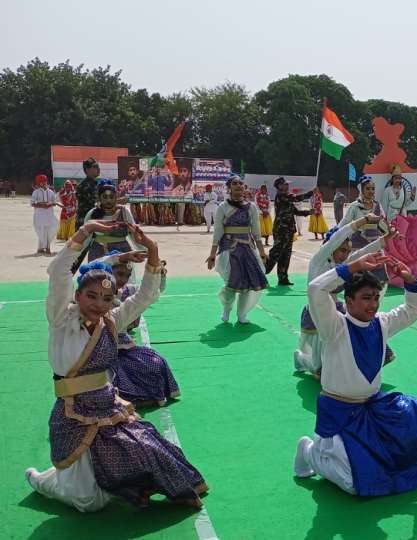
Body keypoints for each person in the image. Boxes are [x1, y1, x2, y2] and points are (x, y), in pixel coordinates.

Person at [25, 221, 208, 512]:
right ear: (77, 295)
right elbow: (59, 272)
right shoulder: (61, 320)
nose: (99, 304)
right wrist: (86, 231)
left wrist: (152, 249)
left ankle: (142, 485)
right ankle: (42, 481)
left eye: (107, 298)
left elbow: (146, 296)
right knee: (87, 502)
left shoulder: (112, 321)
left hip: (108, 406)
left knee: (146, 448)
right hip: (72, 414)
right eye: (92, 296)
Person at [294, 253, 417, 496]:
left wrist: (410, 279)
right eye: (366, 298)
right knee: (352, 482)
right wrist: (352, 267)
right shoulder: (334, 326)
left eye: (376, 298)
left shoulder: (382, 322)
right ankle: (308, 451)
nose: (373, 304)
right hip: (340, 413)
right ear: (348, 300)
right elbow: (316, 289)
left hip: (374, 407)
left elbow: (413, 309)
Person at [294, 215, 391, 376]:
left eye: (348, 251)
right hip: (317, 311)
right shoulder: (319, 260)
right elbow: (338, 236)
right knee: (318, 366)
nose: (345, 255)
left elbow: (362, 253)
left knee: (341, 347)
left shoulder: (343, 264)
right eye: (342, 250)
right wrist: (364, 219)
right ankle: (301, 359)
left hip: (337, 309)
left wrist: (385, 239)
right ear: (332, 247)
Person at [100, 250, 180, 406]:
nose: (122, 279)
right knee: (117, 374)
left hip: (124, 345)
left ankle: (151, 395)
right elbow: (97, 266)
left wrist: (159, 274)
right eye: (118, 274)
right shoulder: (97, 293)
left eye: (126, 275)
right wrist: (121, 257)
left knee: (156, 362)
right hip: (101, 347)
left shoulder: (129, 291)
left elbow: (153, 291)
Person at [206, 175, 268, 324]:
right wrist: (212, 254)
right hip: (229, 249)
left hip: (247, 248)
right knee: (231, 283)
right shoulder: (223, 207)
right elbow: (218, 232)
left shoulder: (251, 207)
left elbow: (256, 232)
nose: (239, 186)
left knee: (248, 284)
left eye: (241, 183)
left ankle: (242, 314)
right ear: (229, 188)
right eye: (235, 183)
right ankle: (226, 310)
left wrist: (261, 252)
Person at [265, 177, 313, 286]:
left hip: (289, 229)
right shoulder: (282, 196)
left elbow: (295, 211)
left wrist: (308, 212)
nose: (287, 186)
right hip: (281, 229)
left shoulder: (287, 197)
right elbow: (297, 198)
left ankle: (283, 277)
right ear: (279, 186)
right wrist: (310, 193)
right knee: (275, 253)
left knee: (285, 255)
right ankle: (261, 274)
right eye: (285, 184)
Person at [84, 180, 136, 261]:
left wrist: (148, 249)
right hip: (98, 253)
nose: (108, 200)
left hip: (122, 253)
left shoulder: (125, 212)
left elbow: (135, 235)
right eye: (105, 197)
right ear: (99, 198)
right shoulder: (92, 214)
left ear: (116, 197)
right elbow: (84, 238)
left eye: (111, 197)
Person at [31, 174, 59, 255]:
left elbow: (54, 203)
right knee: (41, 231)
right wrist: (42, 205)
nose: (43, 183)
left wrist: (49, 205)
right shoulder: (35, 192)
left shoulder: (51, 192)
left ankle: (43, 247)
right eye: (41, 182)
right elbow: (32, 203)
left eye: (44, 181)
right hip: (40, 215)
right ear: (39, 183)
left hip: (49, 214)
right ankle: (45, 248)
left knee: (51, 229)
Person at [75, 158, 101, 230]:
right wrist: (116, 201)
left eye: (98, 166)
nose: (98, 169)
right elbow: (97, 203)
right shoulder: (84, 186)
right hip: (85, 224)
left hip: (93, 222)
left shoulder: (96, 184)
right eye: (95, 167)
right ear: (87, 170)